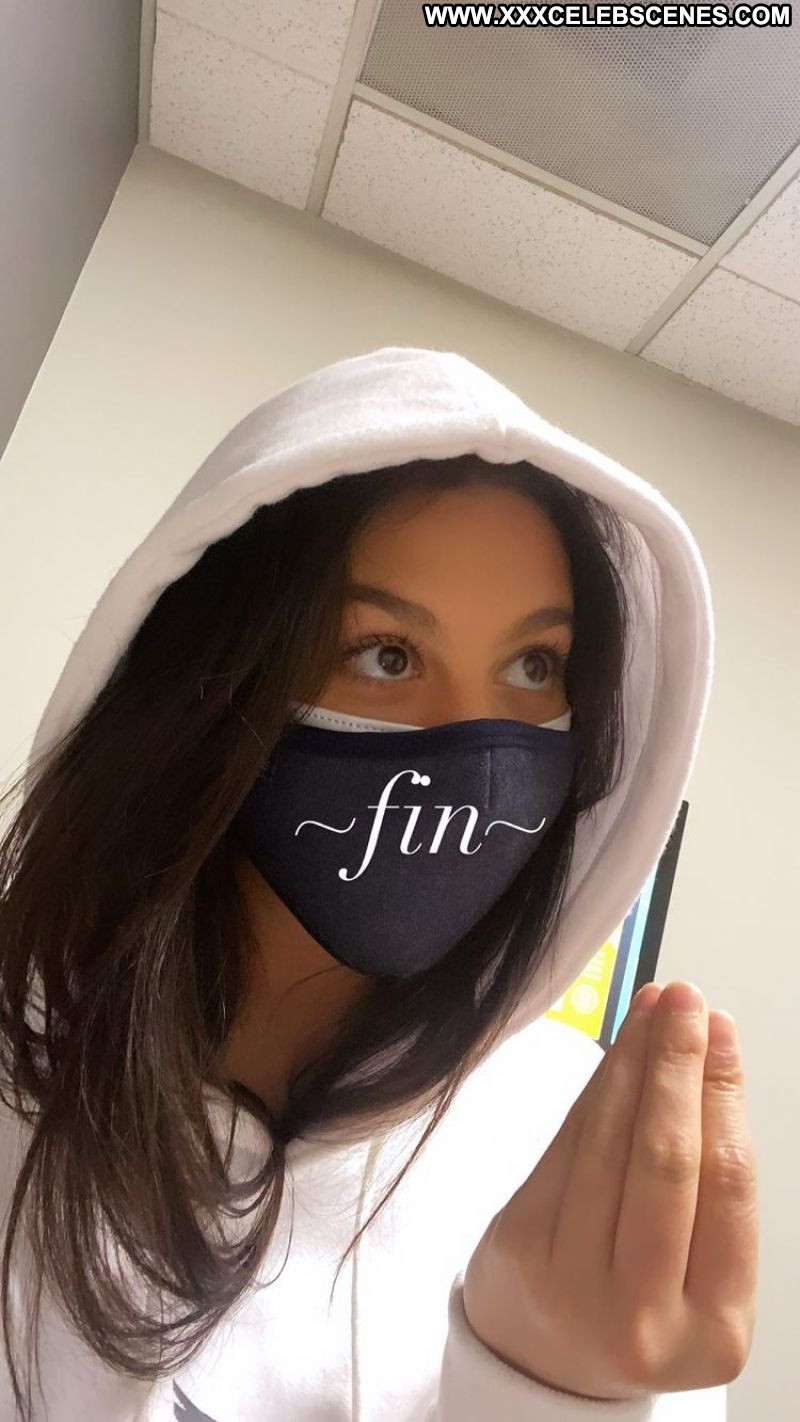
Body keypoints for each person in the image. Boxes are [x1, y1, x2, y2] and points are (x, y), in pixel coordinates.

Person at [0, 347, 756, 1421]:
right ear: (215, 679)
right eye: (386, 654)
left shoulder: (573, 1149)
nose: (475, 747)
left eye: (534, 667)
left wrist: (552, 1397)